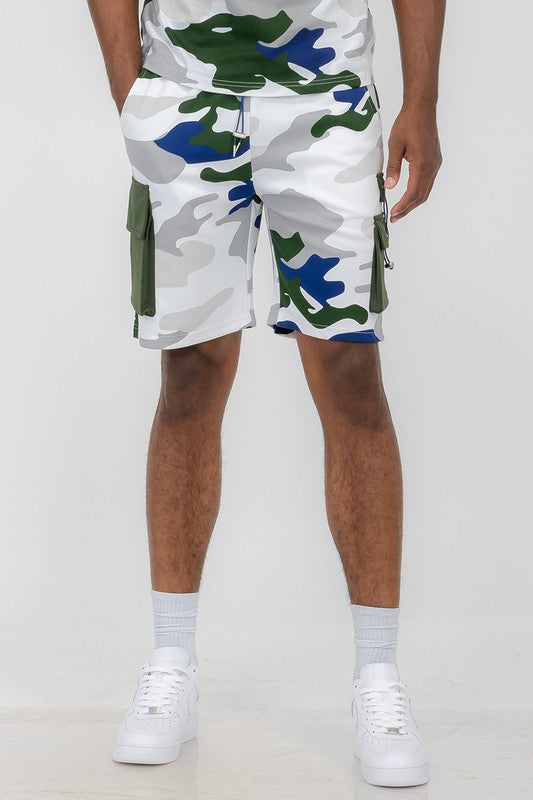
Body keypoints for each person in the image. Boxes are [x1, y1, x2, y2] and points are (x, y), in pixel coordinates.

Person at [88, 0, 444, 787]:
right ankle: (171, 662)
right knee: (189, 373)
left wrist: (421, 96)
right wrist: (131, 89)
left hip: (326, 97)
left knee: (350, 374)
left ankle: (378, 676)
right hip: (185, 91)